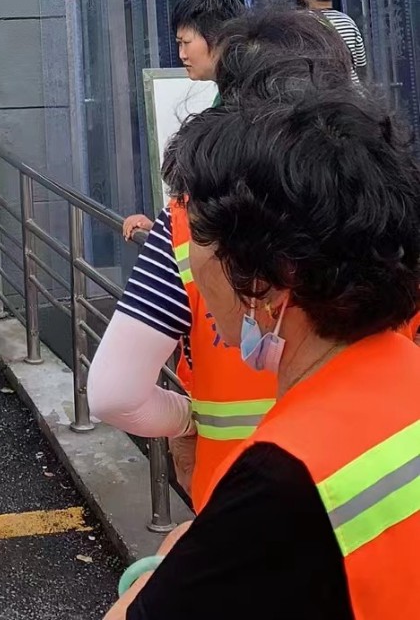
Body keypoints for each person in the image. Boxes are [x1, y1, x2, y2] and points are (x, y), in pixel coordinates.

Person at [106, 88, 420, 619]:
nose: (191, 267)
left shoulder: (278, 478)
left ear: (269, 279)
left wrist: (176, 560)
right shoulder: (405, 370)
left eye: (197, 237)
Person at [89, 8, 355, 509]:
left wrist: (188, 421)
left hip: (238, 498)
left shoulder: (189, 219)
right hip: (380, 496)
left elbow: (112, 393)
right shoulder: (387, 210)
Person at [121, 0, 243, 242]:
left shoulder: (244, 104)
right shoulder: (231, 91)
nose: (182, 55)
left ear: (218, 39)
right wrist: (165, 228)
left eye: (185, 42)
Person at [299, 0, 367, 84]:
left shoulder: (298, 23)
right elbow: (360, 65)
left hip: (322, 94)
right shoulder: (348, 22)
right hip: (350, 93)